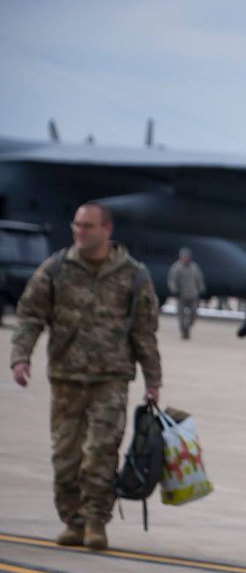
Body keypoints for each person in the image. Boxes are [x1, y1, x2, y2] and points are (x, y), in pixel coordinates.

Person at [9, 201, 161, 551]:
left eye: (87, 226)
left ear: (106, 230)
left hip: (111, 379)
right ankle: (72, 520)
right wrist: (21, 358)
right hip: (66, 377)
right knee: (66, 457)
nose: (79, 231)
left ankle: (95, 521)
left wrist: (153, 381)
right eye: (77, 224)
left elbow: (144, 333)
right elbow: (31, 315)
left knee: (101, 452)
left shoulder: (132, 275)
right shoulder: (56, 269)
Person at [167, 247, 205, 340]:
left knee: (193, 314)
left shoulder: (194, 268)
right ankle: (184, 331)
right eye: (184, 257)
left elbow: (199, 279)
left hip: (193, 295)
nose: (186, 259)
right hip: (181, 295)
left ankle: (188, 326)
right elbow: (172, 281)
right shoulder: (177, 268)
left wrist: (201, 288)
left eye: (187, 257)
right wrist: (174, 289)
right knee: (181, 316)